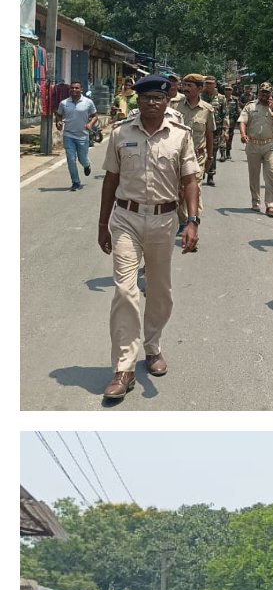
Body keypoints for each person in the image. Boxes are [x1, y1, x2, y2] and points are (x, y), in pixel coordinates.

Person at [96, 74, 199, 401]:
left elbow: (191, 180)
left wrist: (193, 221)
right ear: (136, 101)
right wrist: (102, 224)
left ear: (167, 101)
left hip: (164, 220)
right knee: (125, 291)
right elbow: (110, 180)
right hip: (125, 218)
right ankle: (123, 368)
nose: (151, 103)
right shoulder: (120, 134)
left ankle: (153, 347)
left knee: (159, 290)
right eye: (145, 99)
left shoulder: (180, 136)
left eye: (157, 98)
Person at [174, 74, 215, 235]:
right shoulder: (175, 107)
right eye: (184, 85)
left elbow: (209, 134)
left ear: (200, 88)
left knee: (194, 189)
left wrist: (210, 157)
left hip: (197, 156)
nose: (186, 88)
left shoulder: (207, 110)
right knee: (179, 191)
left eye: (190, 85)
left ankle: (193, 224)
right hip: (178, 156)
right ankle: (184, 220)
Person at [238, 81, 273, 215]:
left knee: (270, 175)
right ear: (258, 93)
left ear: (271, 94)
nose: (264, 95)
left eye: (267, 93)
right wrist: (243, 134)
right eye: (262, 92)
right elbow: (242, 121)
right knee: (254, 175)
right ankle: (255, 201)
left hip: (270, 144)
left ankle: (271, 205)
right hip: (253, 144)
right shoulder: (250, 106)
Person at [54, 80, 99, 191]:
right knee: (71, 159)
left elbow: (95, 116)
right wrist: (58, 123)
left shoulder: (88, 102)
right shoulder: (64, 103)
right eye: (72, 88)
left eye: (77, 88)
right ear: (69, 90)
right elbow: (59, 115)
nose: (74, 90)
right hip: (68, 135)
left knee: (82, 158)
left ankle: (86, 165)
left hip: (83, 136)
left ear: (81, 90)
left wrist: (90, 124)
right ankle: (75, 182)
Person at [200, 76, 225, 186]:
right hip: (200, 129)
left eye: (211, 83)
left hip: (215, 130)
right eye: (207, 83)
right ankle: (200, 172)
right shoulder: (199, 96)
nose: (209, 85)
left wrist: (225, 130)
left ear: (215, 85)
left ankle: (210, 175)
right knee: (199, 151)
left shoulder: (220, 98)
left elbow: (225, 114)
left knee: (213, 153)